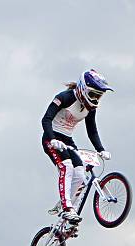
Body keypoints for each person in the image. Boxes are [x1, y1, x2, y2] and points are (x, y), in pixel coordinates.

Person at [41, 69, 113, 224]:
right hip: (51, 137)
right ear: (83, 89)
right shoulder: (65, 97)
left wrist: (101, 149)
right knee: (66, 166)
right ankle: (67, 207)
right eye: (93, 94)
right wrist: (52, 139)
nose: (95, 99)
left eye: (99, 96)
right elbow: (46, 119)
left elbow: (92, 130)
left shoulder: (90, 108)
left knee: (80, 174)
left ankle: (66, 209)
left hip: (67, 140)